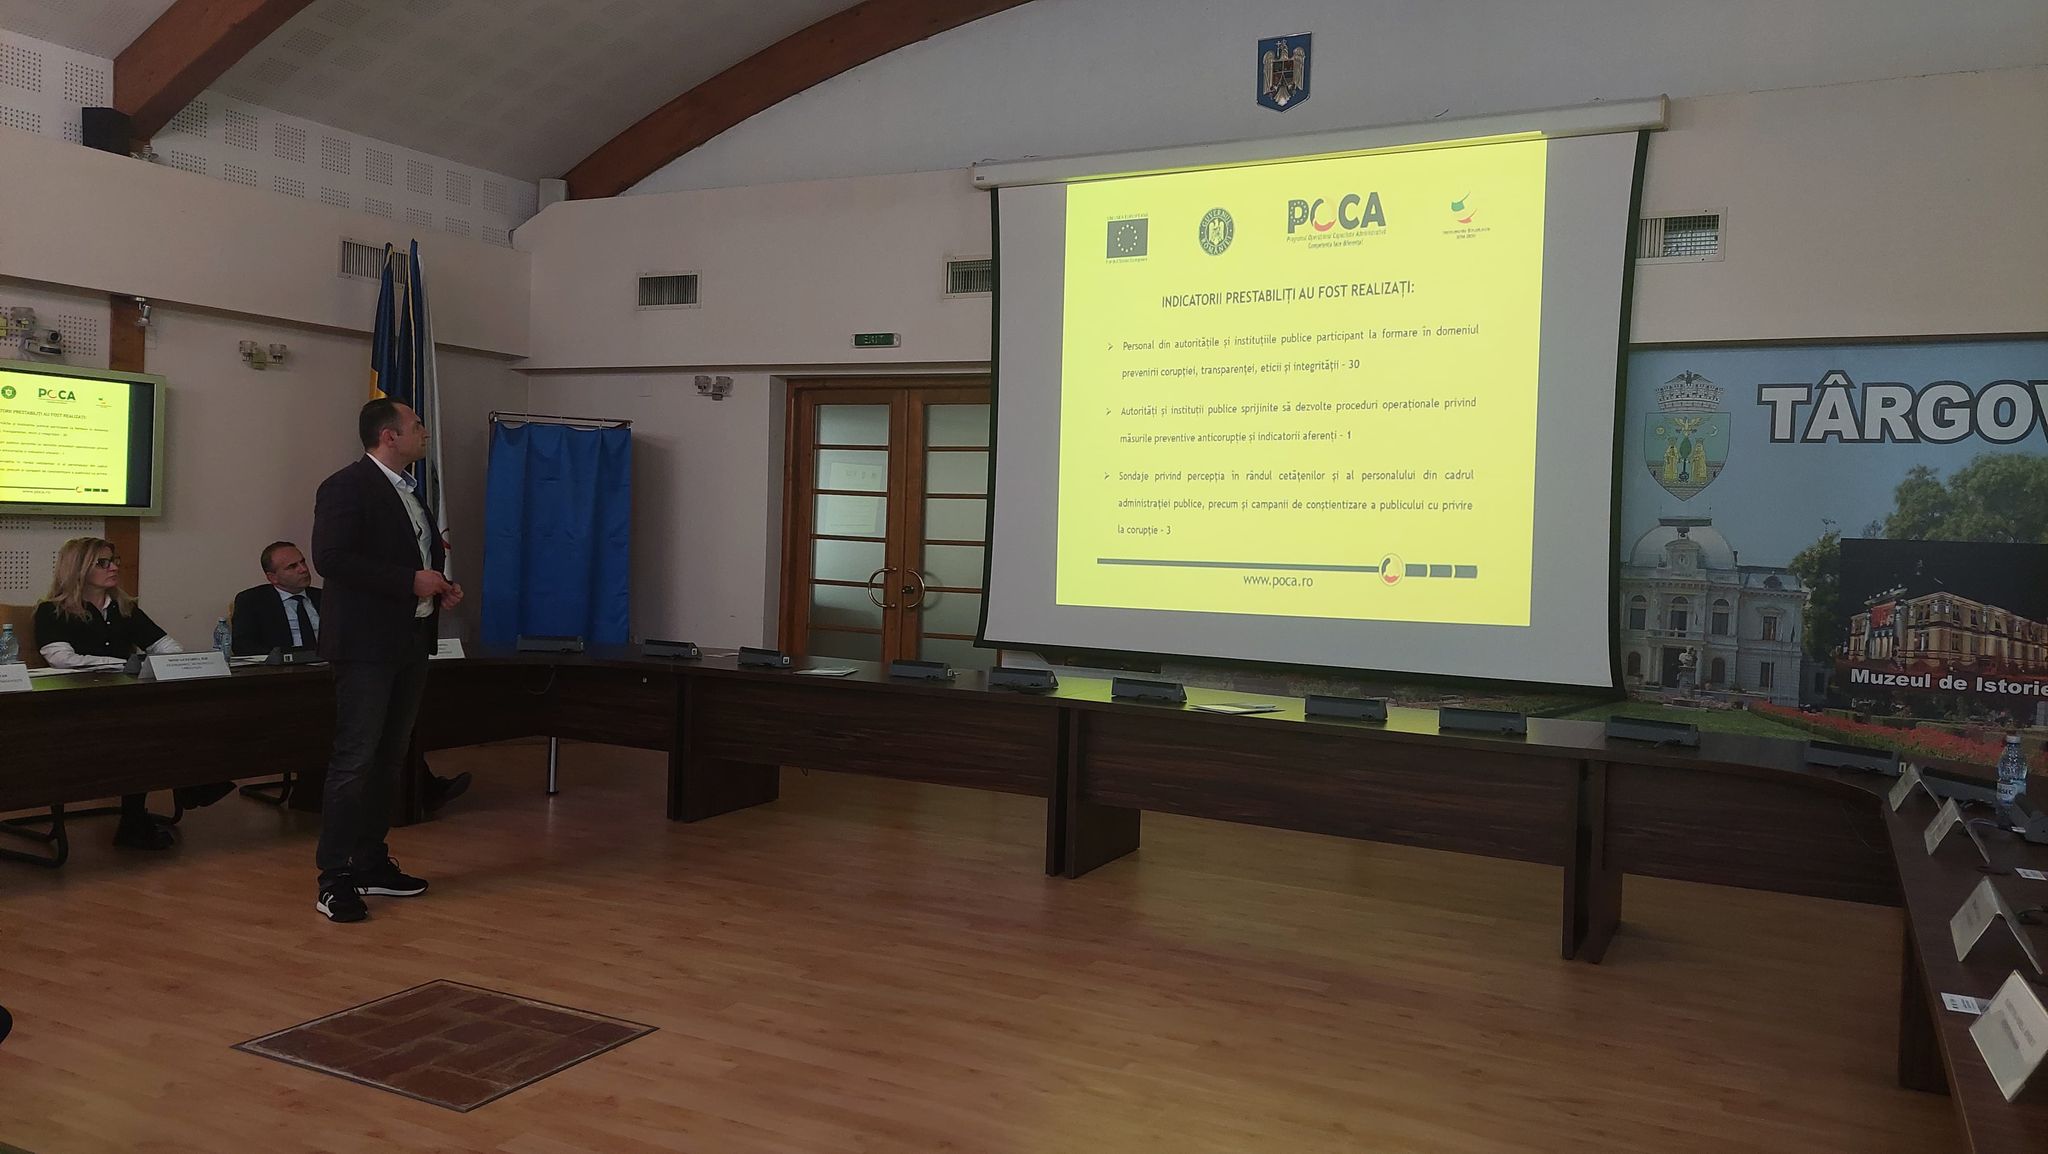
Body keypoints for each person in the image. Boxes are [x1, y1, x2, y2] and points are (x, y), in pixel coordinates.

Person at [309, 399, 463, 922]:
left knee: (389, 757)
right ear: (389, 436)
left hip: (409, 639)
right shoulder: (346, 486)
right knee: (354, 760)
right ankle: (334, 877)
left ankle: (370, 861)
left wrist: (437, 587)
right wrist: (408, 581)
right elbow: (331, 559)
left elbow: (413, 558)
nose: (424, 433)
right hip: (364, 646)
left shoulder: (411, 491)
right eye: (416, 426)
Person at [231, 542, 470, 811]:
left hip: (339, 677)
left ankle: (417, 791)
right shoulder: (252, 601)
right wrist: (291, 656)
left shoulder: (325, 597)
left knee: (386, 720)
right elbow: (243, 645)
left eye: (303, 562)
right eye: (292, 566)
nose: (303, 569)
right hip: (288, 688)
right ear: (272, 577)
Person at [33, 537, 235, 849]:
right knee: (144, 728)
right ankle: (184, 788)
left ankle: (167, 798)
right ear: (78, 568)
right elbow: (61, 658)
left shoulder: (125, 608)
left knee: (165, 718)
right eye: (103, 563)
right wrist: (123, 664)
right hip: (78, 702)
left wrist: (158, 663)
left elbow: (168, 647)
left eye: (113, 560)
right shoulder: (52, 611)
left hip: (124, 700)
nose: (114, 567)